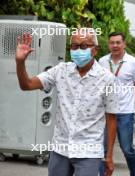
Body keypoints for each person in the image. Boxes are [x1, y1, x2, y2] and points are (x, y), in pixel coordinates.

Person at [15, 29, 118, 176]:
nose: (78, 50)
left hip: (89, 151)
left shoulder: (107, 79)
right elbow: (27, 85)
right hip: (60, 149)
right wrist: (20, 62)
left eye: (83, 46)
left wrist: (109, 156)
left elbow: (111, 119)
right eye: (74, 46)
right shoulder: (61, 71)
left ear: (95, 50)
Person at [99, 32, 135, 176]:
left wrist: (129, 102)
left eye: (118, 42)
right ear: (108, 44)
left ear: (124, 44)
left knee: (127, 148)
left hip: (125, 113)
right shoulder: (102, 61)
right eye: (112, 43)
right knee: (103, 148)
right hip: (106, 113)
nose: (115, 45)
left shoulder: (133, 62)